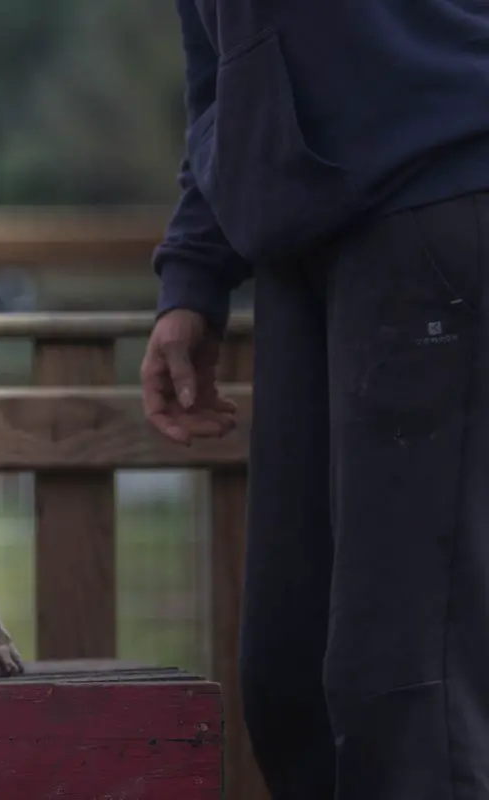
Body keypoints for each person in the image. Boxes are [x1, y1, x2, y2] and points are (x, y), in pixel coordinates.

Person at [140, 2, 489, 798]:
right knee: (288, 679)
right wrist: (195, 270)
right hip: (303, 237)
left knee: (408, 688)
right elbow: (221, 77)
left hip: (440, 186)